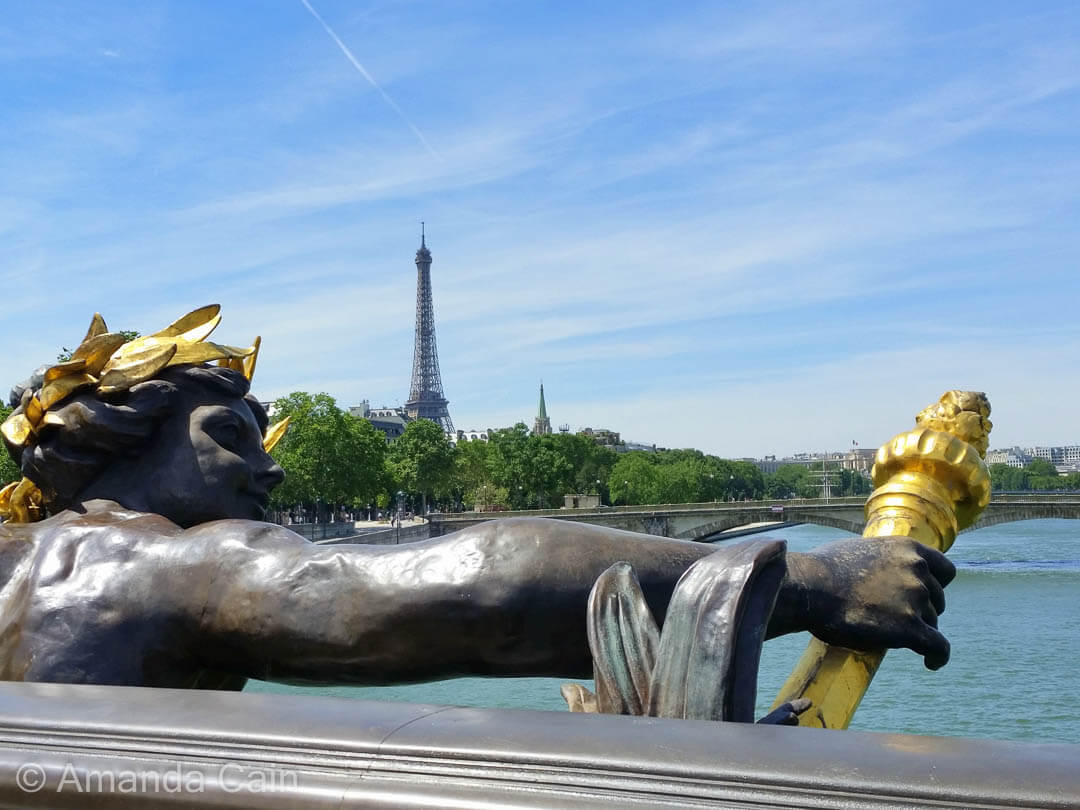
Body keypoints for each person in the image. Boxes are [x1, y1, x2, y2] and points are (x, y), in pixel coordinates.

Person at [0, 308, 954, 691]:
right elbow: (490, 586)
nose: (270, 472)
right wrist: (818, 581)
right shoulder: (158, 563)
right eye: (231, 438)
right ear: (123, 436)